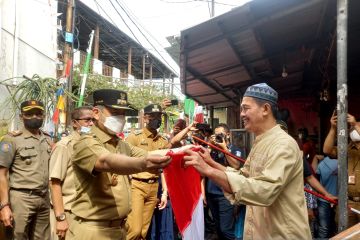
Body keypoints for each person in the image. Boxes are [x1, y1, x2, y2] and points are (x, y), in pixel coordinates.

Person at [183, 83, 311, 239]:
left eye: (245, 108)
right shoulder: (261, 141)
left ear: (265, 109)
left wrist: (208, 171)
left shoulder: (283, 144)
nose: (241, 114)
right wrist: (210, 162)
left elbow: (264, 190)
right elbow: (243, 176)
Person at [67, 89, 171, 240]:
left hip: (119, 229)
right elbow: (106, 161)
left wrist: (184, 151)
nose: (120, 118)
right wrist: (144, 164)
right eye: (115, 112)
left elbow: (150, 154)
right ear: (96, 113)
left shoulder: (120, 144)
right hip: (94, 231)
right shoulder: (86, 142)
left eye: (123, 113)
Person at [0, 100, 52, 240]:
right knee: (17, 237)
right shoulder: (11, 140)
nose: (34, 117)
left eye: (38, 113)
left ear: (43, 116)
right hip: (21, 199)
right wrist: (4, 206)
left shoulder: (47, 139)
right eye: (29, 114)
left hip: (44, 198)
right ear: (21, 116)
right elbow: (2, 174)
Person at [49, 106, 94, 239]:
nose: (91, 124)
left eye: (93, 120)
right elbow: (54, 183)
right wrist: (61, 218)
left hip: (86, 212)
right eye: (87, 120)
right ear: (75, 123)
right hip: (68, 212)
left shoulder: (91, 145)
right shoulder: (64, 146)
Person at [323, 111, 360, 228]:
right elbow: (327, 150)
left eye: (355, 127)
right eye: (351, 127)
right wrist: (333, 128)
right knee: (345, 233)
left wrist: (355, 125)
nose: (353, 129)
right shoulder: (346, 148)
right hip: (348, 201)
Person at [206, 123, 242, 240]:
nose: (217, 137)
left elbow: (236, 165)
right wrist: (210, 147)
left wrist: (224, 148)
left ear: (227, 135)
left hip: (225, 195)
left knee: (226, 229)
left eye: (220, 134)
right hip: (211, 193)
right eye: (215, 135)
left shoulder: (234, 149)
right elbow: (204, 163)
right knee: (218, 227)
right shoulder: (213, 150)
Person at [312, 154, 338, 238]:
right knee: (338, 227)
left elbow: (312, 173)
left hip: (324, 198)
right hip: (339, 199)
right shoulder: (344, 163)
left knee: (324, 228)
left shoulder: (322, 164)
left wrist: (316, 158)